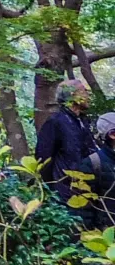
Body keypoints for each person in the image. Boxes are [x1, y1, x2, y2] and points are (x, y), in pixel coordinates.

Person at [36, 81, 96, 213]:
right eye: (84, 91)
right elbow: (43, 160)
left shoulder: (84, 122)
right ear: (72, 95)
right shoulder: (56, 122)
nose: (88, 94)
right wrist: (55, 190)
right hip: (64, 195)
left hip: (85, 190)